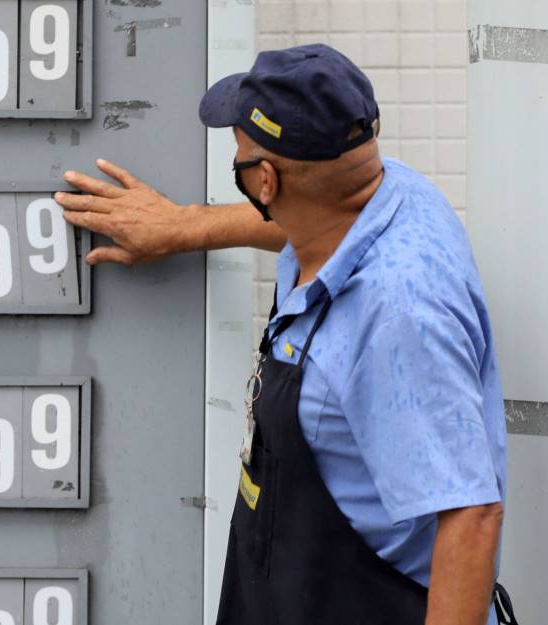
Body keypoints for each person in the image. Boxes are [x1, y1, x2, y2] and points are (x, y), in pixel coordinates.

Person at [56, 44, 514, 625]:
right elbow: (305, 217)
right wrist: (184, 227)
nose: (235, 151)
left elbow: (471, 518)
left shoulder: (397, 319)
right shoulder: (385, 191)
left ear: (264, 180)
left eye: (242, 152)